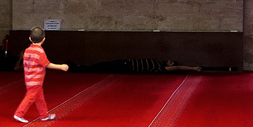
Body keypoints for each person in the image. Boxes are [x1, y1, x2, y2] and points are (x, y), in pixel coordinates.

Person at [15, 26, 68, 122]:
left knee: (40, 98)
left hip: (28, 78)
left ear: (30, 38)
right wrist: (61, 67)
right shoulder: (40, 51)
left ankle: (44, 115)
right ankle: (19, 113)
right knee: (30, 97)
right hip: (36, 80)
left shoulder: (27, 50)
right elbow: (47, 64)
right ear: (43, 40)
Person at [66, 58, 203, 74]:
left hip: (126, 67)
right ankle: (78, 66)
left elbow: (179, 68)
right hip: (126, 62)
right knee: (100, 64)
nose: (168, 60)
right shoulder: (159, 63)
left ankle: (75, 68)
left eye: (170, 61)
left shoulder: (163, 68)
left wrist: (193, 68)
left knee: (99, 68)